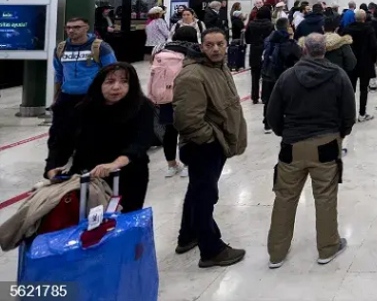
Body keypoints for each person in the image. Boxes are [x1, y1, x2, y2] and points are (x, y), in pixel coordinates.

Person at [265, 33, 356, 269]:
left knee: (285, 197)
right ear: (325, 50)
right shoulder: (337, 76)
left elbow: (272, 114)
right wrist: (341, 134)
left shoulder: (287, 77)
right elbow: (348, 112)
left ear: (303, 50)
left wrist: (284, 133)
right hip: (326, 143)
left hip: (292, 146)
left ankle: (276, 253)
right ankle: (327, 248)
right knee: (325, 197)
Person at [173, 28, 248, 268]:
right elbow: (187, 119)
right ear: (201, 46)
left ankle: (188, 235)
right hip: (202, 147)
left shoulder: (219, 68)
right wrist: (210, 139)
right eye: (209, 45)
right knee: (205, 196)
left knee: (196, 191)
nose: (215, 49)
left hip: (214, 143)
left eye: (220, 44)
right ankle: (211, 249)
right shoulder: (192, 75)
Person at [45, 63, 155, 211]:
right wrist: (52, 167)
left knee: (121, 222)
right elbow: (61, 141)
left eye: (124, 81)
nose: (116, 87)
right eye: (110, 82)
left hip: (128, 176)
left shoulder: (142, 107)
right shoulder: (84, 108)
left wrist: (114, 164)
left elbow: (141, 142)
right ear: (99, 84)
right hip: (87, 176)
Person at [50, 17, 118, 160]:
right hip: (67, 95)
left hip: (92, 96)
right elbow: (59, 74)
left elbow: (112, 72)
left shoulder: (100, 48)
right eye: (68, 27)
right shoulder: (61, 48)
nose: (71, 30)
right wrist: (56, 97)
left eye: (76, 27)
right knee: (62, 129)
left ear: (86, 28)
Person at [147, 26, 199, 177]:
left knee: (170, 132)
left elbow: (152, 76)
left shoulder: (161, 52)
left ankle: (171, 165)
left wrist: (152, 96)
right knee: (188, 132)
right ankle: (189, 164)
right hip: (186, 98)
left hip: (164, 97)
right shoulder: (193, 53)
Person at [261, 18, 302, 133]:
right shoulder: (289, 43)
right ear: (287, 27)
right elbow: (299, 56)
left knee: (269, 99)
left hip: (268, 73)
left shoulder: (269, 40)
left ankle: (267, 123)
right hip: (285, 75)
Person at [345, 9, 377, 123]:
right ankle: (362, 114)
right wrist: (373, 60)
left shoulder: (348, 28)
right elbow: (374, 46)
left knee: (350, 89)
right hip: (365, 62)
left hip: (351, 63)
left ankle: (349, 115)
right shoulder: (369, 29)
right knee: (364, 89)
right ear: (364, 18)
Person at [245, 6, 274, 105]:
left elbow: (247, 38)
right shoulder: (270, 25)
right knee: (266, 75)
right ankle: (265, 96)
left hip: (254, 50)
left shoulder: (252, 24)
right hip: (266, 51)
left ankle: (254, 96)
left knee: (254, 75)